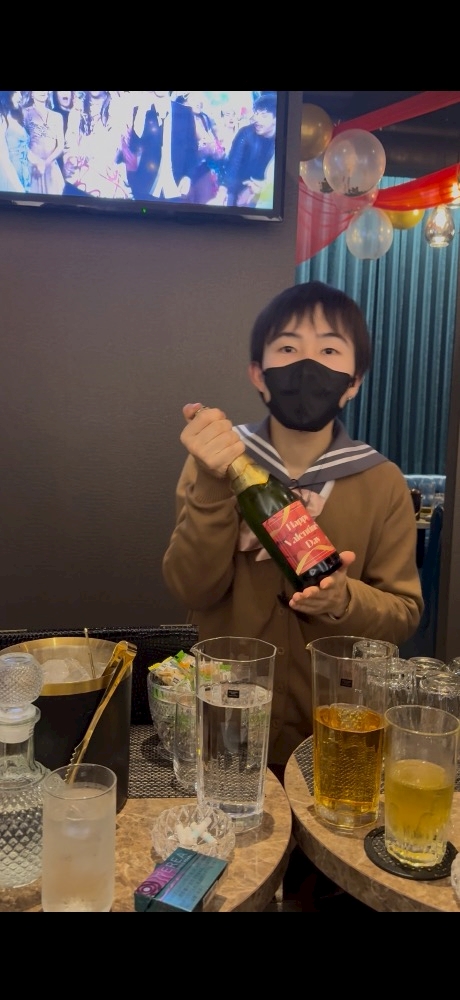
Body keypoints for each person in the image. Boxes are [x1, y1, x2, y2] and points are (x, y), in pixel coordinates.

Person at [162, 279, 423, 779]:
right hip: (223, 722)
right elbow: (190, 589)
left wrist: (344, 601)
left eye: (329, 349)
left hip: (334, 731)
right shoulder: (216, 461)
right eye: (287, 348)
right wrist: (215, 484)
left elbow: (404, 615)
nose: (307, 364)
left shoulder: (382, 480)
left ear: (354, 381)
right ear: (258, 375)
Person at [126, 91, 200, 201]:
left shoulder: (185, 113)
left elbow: (192, 150)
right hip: (146, 187)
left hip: (176, 187)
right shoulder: (141, 110)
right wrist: (141, 113)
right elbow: (133, 147)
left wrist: (188, 176)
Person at [219, 91, 277, 207]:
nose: (257, 119)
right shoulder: (245, 134)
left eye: (264, 115)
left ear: (276, 119)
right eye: (256, 113)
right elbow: (233, 166)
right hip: (238, 184)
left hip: (265, 190)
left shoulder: (283, 139)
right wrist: (223, 190)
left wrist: (254, 190)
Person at [22, 91, 65, 195]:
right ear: (31, 94)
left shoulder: (57, 116)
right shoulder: (24, 113)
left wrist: (45, 163)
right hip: (33, 168)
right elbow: (21, 144)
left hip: (51, 168)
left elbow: (60, 145)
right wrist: (37, 162)